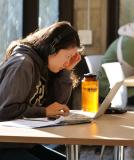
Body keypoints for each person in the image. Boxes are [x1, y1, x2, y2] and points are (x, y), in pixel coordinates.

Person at [0, 21, 82, 160]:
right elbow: (5, 111)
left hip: (23, 143)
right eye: (67, 56)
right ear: (52, 49)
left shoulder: (47, 67)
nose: (68, 62)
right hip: (5, 145)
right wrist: (43, 111)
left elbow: (57, 105)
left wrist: (66, 72)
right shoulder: (23, 64)